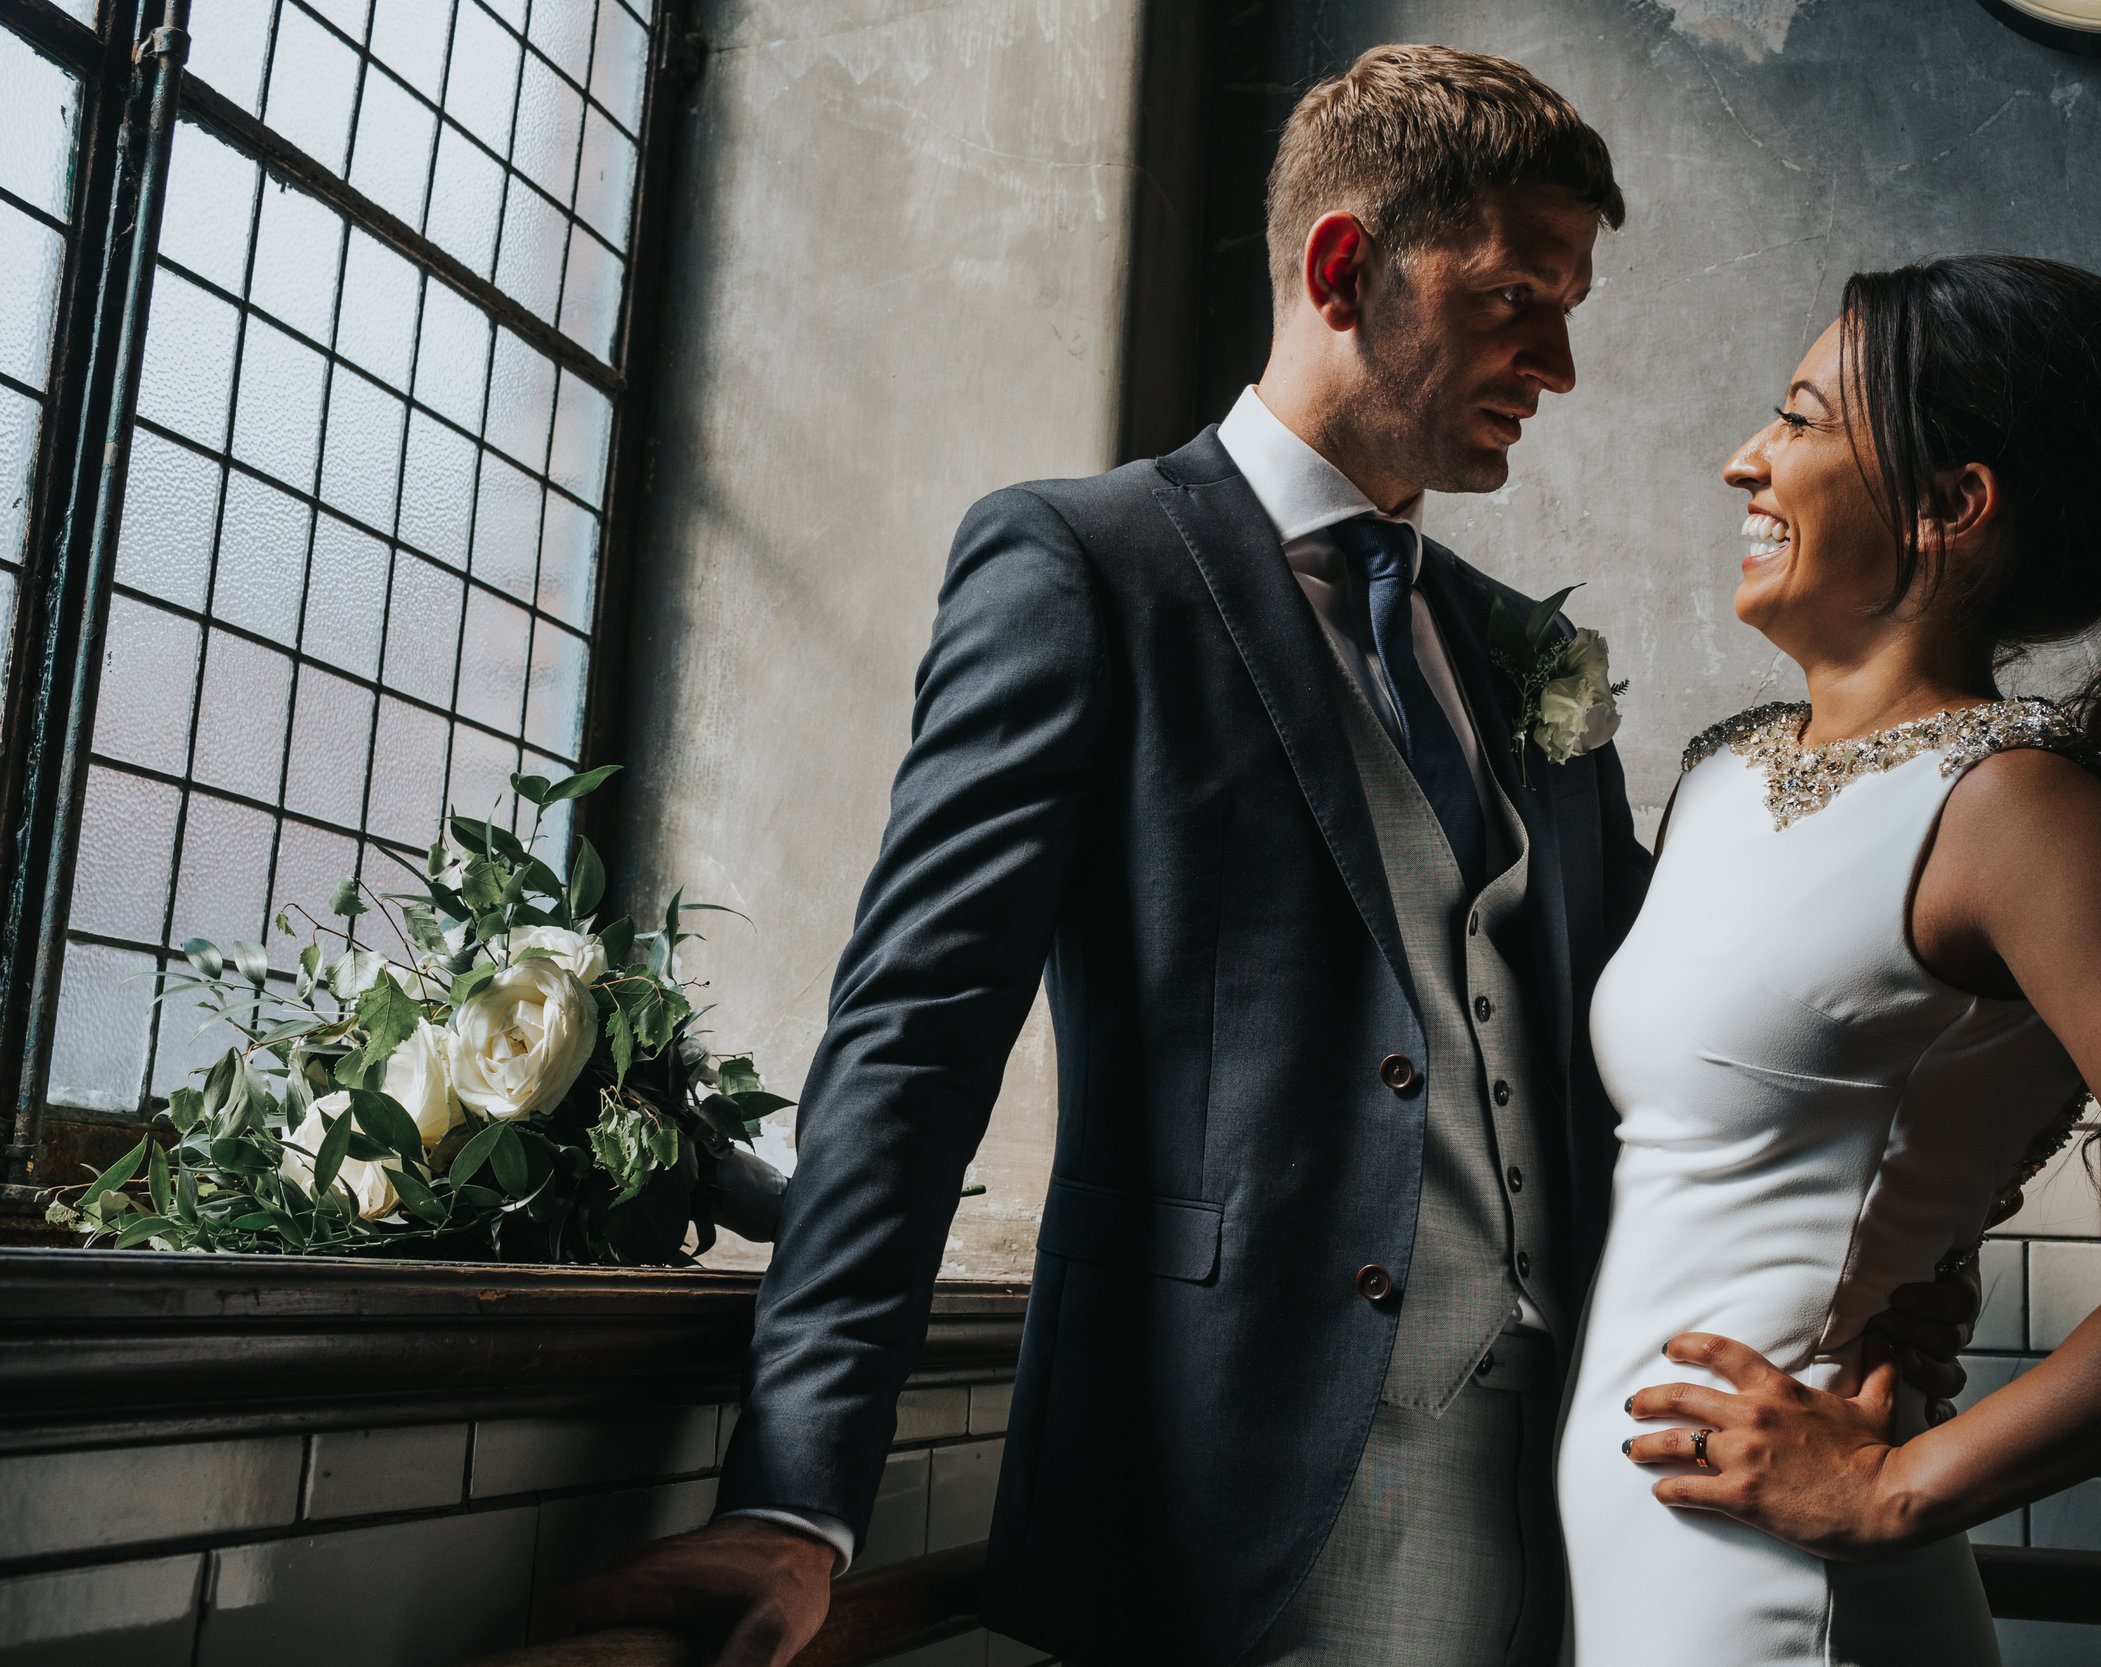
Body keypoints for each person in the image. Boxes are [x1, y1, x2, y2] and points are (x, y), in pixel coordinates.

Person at [565, 48, 1982, 1667]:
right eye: (1523, 296)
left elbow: (1698, 1030)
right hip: (1216, 1515)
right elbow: (912, 1039)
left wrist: (1890, 1267)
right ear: (1343, 268)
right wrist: (795, 1498)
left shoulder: (1518, 651)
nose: (1564, 362)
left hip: (1583, 1515)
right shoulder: (1083, 568)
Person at [1556, 255, 2101, 1664]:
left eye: (1803, 421)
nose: (1742, 462)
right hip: (1646, 1571)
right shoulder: (1718, 776)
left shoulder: (2019, 812)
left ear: (1952, 505)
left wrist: (1894, 1488)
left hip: (1790, 1597)